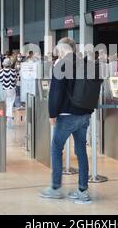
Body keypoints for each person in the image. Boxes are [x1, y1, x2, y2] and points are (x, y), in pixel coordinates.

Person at [40, 37, 93, 204]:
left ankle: (55, 188)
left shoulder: (60, 65)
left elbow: (56, 93)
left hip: (67, 115)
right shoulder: (85, 64)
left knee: (56, 148)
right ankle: (82, 191)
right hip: (84, 114)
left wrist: (52, 114)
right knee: (81, 151)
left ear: (62, 49)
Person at [0, 58, 17, 130]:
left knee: (1, 105)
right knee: (10, 105)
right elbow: (16, 79)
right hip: (11, 89)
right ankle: (9, 122)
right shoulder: (13, 71)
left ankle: (0, 120)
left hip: (2, 90)